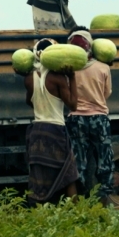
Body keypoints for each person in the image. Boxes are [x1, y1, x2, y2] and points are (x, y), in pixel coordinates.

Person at [22, 39, 80, 204]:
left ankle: (40, 215)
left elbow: (29, 102)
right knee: (69, 173)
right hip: (55, 131)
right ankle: (78, 214)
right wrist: (72, 77)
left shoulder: (28, 79)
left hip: (37, 132)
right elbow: (73, 105)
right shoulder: (58, 78)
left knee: (39, 177)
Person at [65, 28, 117, 202]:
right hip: (99, 118)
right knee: (104, 158)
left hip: (76, 119)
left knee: (79, 160)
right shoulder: (103, 68)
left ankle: (80, 197)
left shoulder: (68, 70)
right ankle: (104, 197)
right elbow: (106, 93)